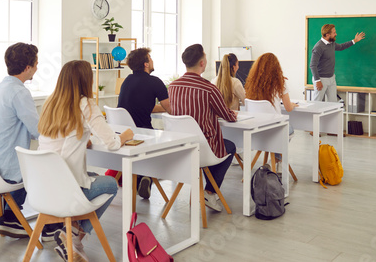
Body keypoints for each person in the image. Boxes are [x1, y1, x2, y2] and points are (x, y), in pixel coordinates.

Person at [38, 60, 133, 262]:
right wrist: (125, 135)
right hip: (67, 189)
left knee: (94, 177)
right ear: (85, 80)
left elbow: (63, 136)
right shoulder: (86, 104)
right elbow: (113, 143)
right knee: (110, 184)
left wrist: (83, 139)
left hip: (42, 188)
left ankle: (73, 236)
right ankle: (74, 235)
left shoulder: (50, 103)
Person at [0, 43, 60, 241]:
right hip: (5, 173)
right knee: (43, 167)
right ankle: (15, 217)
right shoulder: (19, 93)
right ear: (27, 68)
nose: (37, 67)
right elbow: (38, 131)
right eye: (36, 63)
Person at [168, 44, 237, 212]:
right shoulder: (209, 88)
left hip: (180, 147)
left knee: (215, 146)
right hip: (204, 149)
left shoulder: (172, 86)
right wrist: (233, 114)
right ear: (202, 63)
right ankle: (210, 191)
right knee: (230, 146)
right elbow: (226, 115)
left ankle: (209, 190)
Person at [113, 47, 171, 198]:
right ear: (146, 64)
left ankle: (143, 176)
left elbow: (141, 104)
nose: (152, 61)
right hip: (144, 135)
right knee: (168, 143)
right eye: (150, 58)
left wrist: (158, 109)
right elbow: (171, 109)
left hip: (124, 135)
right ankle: (146, 175)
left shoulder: (127, 81)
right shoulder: (155, 82)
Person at [245, 52, 298, 168]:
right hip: (274, 130)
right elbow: (288, 108)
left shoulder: (252, 83)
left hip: (256, 131)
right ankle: (278, 160)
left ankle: (276, 159)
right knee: (289, 128)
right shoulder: (281, 83)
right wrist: (293, 105)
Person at [310, 24, 365, 102]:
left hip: (331, 78)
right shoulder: (318, 47)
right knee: (316, 102)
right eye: (334, 32)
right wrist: (317, 81)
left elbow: (341, 47)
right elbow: (312, 65)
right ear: (327, 34)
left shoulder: (331, 43)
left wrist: (354, 40)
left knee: (333, 103)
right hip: (321, 79)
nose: (336, 34)